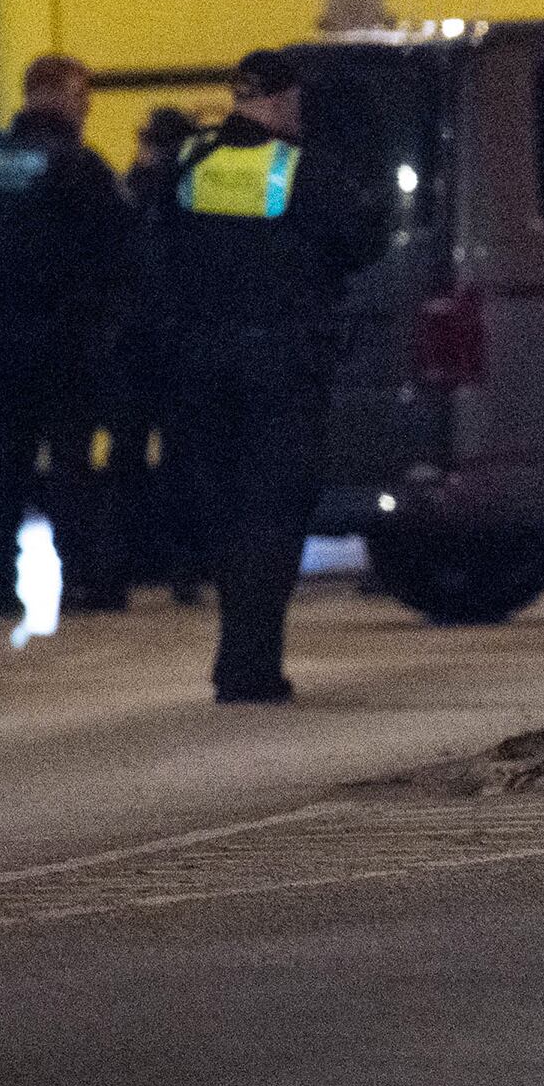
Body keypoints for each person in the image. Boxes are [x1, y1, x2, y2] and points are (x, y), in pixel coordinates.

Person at [157, 51, 382, 700]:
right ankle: (251, 665)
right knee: (274, 512)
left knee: (227, 512)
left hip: (201, 363)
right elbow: (364, 238)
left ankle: (235, 655)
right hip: (281, 362)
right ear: (284, 100)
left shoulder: (191, 161)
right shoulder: (298, 166)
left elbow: (155, 250)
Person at [0, 55, 131, 616]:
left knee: (8, 456)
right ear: (51, 95)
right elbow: (120, 247)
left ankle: (0, 577)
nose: (86, 108)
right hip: (69, 335)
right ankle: (77, 575)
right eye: (80, 96)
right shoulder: (79, 165)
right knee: (70, 459)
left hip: (7, 331)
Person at [110, 106, 205, 599]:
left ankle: (125, 562)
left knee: (128, 454)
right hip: (178, 342)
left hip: (130, 344)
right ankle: (183, 565)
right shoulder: (191, 198)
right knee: (182, 456)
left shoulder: (124, 194)